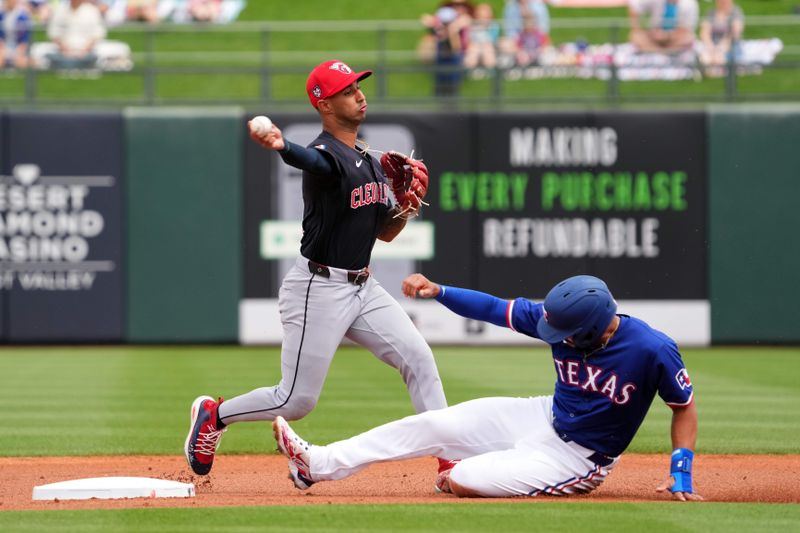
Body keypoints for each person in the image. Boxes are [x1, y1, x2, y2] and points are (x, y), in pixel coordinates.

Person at [184, 59, 452, 480]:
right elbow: (310, 160)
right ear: (324, 104)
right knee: (295, 401)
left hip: (363, 287)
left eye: (357, 87)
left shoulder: (371, 159)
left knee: (418, 358)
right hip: (318, 288)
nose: (359, 94)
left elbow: (385, 234)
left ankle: (449, 458)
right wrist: (279, 145)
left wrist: (406, 208)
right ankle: (215, 415)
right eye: (346, 91)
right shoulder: (328, 155)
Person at [273, 274, 702, 501]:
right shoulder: (562, 320)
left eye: (563, 333)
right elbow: (496, 308)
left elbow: (683, 405)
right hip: (543, 414)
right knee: (433, 424)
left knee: (462, 480)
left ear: (590, 330)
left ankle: (496, 465)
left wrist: (680, 470)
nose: (552, 334)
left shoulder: (652, 349)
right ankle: (317, 463)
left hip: (580, 458)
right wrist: (439, 290)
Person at [46, 0, 107, 69]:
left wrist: (84, 50)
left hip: (87, 52)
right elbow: (54, 33)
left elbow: (97, 34)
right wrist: (65, 50)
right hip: (63, 52)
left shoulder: (92, 11)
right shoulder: (60, 10)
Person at [628, 0, 699, 53]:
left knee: (688, 39)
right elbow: (634, 4)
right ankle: (664, 52)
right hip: (653, 37)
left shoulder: (689, 4)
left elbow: (686, 30)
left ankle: (654, 51)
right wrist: (636, 29)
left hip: (675, 38)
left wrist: (667, 36)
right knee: (636, 37)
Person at [698, 0, 744, 76]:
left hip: (729, 46)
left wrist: (722, 47)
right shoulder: (711, 13)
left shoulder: (735, 12)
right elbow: (704, 32)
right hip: (713, 45)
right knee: (705, 58)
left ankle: (716, 73)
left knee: (720, 58)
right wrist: (710, 46)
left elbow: (735, 33)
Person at [463, 3, 500, 73]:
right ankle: (469, 71)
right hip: (475, 47)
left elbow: (493, 39)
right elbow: (469, 39)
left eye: (485, 17)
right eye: (481, 17)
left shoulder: (494, 26)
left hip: (488, 46)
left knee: (488, 50)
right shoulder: (473, 26)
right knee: (473, 50)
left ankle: (491, 72)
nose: (483, 20)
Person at [0, 0, 32, 69]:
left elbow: (24, 40)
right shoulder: (2, 15)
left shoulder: (22, 16)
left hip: (18, 48)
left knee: (22, 61)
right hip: (4, 47)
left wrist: (19, 52)